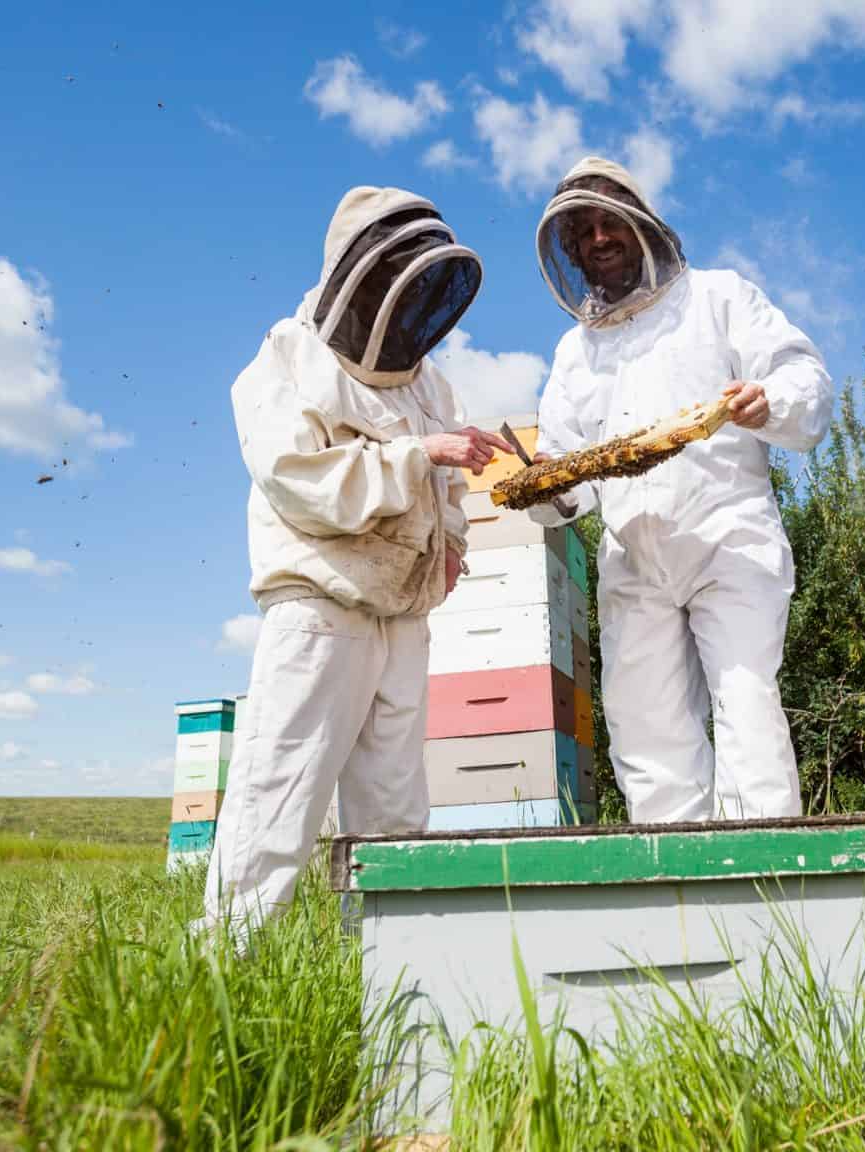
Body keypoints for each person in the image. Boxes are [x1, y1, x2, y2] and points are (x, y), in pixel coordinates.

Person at [201, 186, 514, 938]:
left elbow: (442, 486)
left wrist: (453, 545)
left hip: (402, 613)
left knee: (396, 806)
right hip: (323, 604)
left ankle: (391, 960)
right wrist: (422, 453)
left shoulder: (429, 381)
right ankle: (228, 963)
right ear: (357, 273)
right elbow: (305, 484)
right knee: (282, 790)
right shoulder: (283, 359)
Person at [526, 157, 835, 824]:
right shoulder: (576, 353)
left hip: (729, 541)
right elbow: (569, 475)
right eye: (583, 232)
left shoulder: (719, 298)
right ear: (571, 251)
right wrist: (545, 491)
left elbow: (801, 377)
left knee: (746, 706)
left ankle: (773, 898)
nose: (598, 239)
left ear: (643, 225)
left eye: (610, 222)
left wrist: (768, 400)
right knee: (646, 729)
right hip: (634, 561)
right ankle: (681, 900)